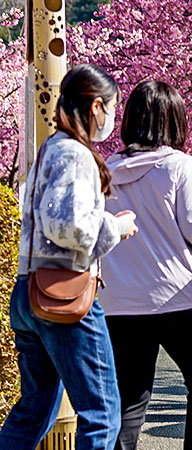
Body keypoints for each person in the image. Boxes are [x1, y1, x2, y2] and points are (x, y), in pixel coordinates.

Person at [0, 64, 138, 450]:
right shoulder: (74, 154)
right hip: (64, 295)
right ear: (96, 107)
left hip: (30, 289)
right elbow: (68, 226)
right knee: (102, 413)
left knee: (35, 409)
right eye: (112, 106)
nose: (112, 116)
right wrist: (115, 227)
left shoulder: (49, 150)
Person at [99, 81, 192, 449]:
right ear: (174, 121)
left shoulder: (106, 170)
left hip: (120, 303)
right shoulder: (180, 166)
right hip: (178, 299)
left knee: (129, 399)